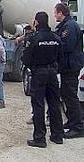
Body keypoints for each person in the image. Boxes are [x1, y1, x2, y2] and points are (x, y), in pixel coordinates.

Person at [22, 12, 64, 148]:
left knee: (38, 105)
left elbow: (26, 59)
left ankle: (40, 138)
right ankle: (57, 136)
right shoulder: (56, 38)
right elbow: (61, 58)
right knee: (54, 104)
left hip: (39, 73)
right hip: (52, 73)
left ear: (37, 23)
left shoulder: (34, 38)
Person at [54, 3, 84, 138]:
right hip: (67, 65)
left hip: (71, 66)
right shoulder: (66, 25)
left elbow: (67, 45)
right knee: (65, 94)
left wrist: (55, 44)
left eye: (56, 12)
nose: (55, 15)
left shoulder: (70, 26)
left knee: (70, 95)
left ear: (61, 12)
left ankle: (78, 126)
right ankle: (72, 121)